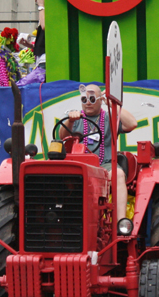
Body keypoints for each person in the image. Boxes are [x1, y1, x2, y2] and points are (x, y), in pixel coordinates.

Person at [59, 84, 138, 220]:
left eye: (92, 99)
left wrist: (113, 104)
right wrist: (70, 121)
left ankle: (120, 223)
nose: (88, 103)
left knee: (118, 175)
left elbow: (132, 124)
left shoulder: (108, 117)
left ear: (100, 100)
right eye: (84, 100)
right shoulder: (75, 117)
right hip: (78, 166)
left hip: (105, 165)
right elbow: (62, 136)